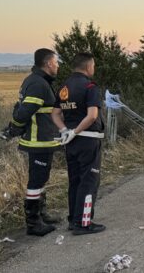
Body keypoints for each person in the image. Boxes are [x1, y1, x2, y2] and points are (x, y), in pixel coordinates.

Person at [8, 48, 62, 236]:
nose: (58, 65)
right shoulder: (38, 83)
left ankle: (41, 213)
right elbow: (24, 112)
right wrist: (13, 126)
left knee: (41, 178)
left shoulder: (39, 81)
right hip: (38, 141)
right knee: (36, 180)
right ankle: (33, 223)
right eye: (56, 62)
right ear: (48, 64)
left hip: (43, 140)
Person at [52, 52, 106, 235]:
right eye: (93, 65)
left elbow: (54, 114)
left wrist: (65, 131)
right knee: (89, 181)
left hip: (71, 142)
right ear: (88, 66)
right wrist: (75, 132)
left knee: (75, 180)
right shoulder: (90, 86)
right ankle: (84, 223)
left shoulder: (64, 87)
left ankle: (73, 220)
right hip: (88, 139)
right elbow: (92, 116)